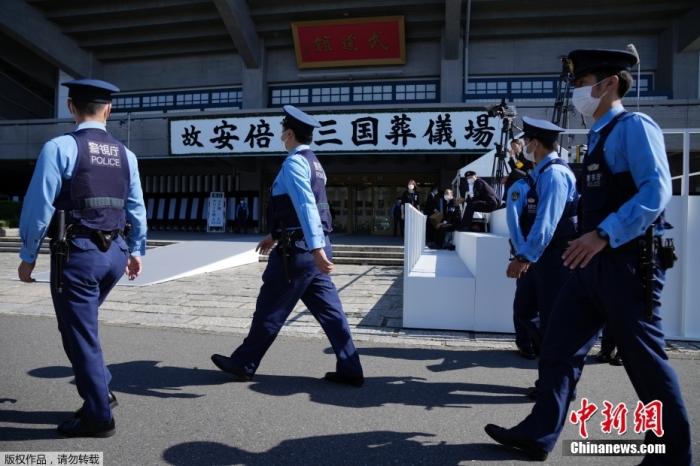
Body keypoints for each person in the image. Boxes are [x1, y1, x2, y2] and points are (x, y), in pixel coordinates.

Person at [485, 48, 691, 465]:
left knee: (645, 362)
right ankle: (539, 433)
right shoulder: (598, 137)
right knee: (558, 347)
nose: (577, 93)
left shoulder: (634, 127)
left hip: (628, 264)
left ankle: (673, 454)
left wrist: (603, 234)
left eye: (581, 84)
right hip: (588, 265)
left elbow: (656, 192)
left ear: (608, 83)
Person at [17, 79, 147, 438]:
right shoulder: (126, 154)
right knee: (79, 327)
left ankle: (99, 416)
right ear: (109, 109)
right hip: (115, 255)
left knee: (79, 333)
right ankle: (100, 389)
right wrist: (136, 250)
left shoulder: (60, 147)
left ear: (71, 107)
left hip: (80, 256)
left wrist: (28, 255)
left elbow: (38, 207)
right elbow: (136, 206)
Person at [211, 105, 364, 387]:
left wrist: (315, 249)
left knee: (270, 308)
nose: (281, 135)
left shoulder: (294, 163)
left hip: (299, 254)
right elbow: (300, 209)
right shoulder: (315, 163)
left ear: (290, 133)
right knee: (332, 314)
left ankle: (244, 362)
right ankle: (350, 366)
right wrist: (277, 237)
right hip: (310, 250)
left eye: (283, 130)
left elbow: (306, 207)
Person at [503, 116, 579, 398]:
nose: (522, 147)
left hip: (555, 258)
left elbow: (546, 223)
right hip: (541, 258)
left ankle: (557, 386)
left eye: (524, 142)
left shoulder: (555, 175)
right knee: (526, 313)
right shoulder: (539, 174)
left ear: (534, 143)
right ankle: (552, 380)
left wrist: (523, 257)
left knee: (554, 323)